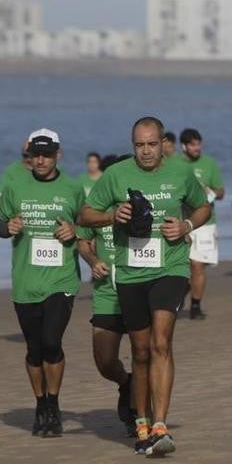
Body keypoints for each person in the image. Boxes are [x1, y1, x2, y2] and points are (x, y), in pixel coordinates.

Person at [80, 117, 211, 457]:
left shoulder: (180, 173)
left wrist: (185, 225)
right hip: (131, 271)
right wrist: (114, 215)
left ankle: (161, 425)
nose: (146, 151)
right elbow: (86, 215)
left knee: (161, 342)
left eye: (152, 144)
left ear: (163, 142)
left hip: (170, 266)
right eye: (140, 145)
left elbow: (203, 207)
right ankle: (142, 422)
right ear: (133, 145)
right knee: (139, 352)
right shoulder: (117, 175)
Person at [0, 129, 84, 437]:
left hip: (61, 279)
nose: (41, 160)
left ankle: (54, 405)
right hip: (25, 280)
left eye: (47, 154)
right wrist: (9, 226)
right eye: (36, 155)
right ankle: (40, 403)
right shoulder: (15, 186)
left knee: (51, 342)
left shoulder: (73, 188)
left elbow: (89, 224)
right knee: (34, 350)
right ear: (30, 156)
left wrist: (75, 231)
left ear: (58, 155)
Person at [75, 155, 137, 439]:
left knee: (144, 355)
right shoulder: (97, 209)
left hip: (138, 288)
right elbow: (82, 240)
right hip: (106, 293)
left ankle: (138, 413)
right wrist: (92, 260)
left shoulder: (142, 206)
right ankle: (126, 383)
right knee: (105, 362)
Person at [180, 128, 225, 320]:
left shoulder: (209, 164)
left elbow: (221, 192)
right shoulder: (175, 164)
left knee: (198, 266)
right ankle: (181, 291)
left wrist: (210, 192)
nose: (196, 148)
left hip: (206, 222)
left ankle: (195, 306)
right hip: (182, 221)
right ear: (183, 146)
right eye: (192, 144)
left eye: (198, 144)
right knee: (184, 265)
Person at [0, 140, 33, 213]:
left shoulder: (54, 172)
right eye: (25, 156)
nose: (29, 160)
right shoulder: (12, 171)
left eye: (33, 156)